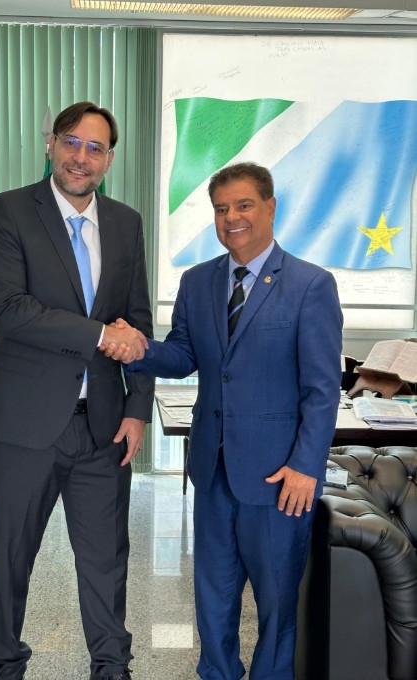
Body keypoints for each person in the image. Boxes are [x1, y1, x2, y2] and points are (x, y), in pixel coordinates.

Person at [105, 162, 343, 680]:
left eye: (244, 205)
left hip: (279, 478)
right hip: (212, 470)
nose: (231, 217)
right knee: (213, 596)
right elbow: (184, 355)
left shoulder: (311, 285)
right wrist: (140, 350)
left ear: (270, 207)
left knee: (277, 605)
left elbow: (323, 391)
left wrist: (306, 466)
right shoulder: (197, 281)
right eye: (221, 208)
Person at [0, 101, 155, 680]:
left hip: (103, 425)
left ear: (109, 160)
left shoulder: (125, 223)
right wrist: (100, 335)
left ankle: (112, 665)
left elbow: (138, 323)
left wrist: (137, 409)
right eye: (71, 142)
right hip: (23, 423)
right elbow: (10, 309)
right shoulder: (7, 211)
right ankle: (5, 662)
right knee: (12, 556)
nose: (81, 157)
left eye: (95, 148)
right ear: (50, 145)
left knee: (107, 559)